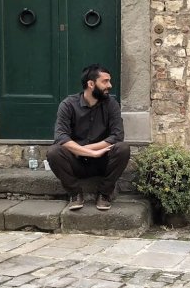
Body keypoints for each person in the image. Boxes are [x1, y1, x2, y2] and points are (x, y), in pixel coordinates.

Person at [46, 64, 130, 211]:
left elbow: (117, 136)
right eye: (105, 81)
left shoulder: (111, 104)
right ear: (91, 84)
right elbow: (61, 137)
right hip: (76, 162)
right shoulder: (68, 105)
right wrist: (89, 153)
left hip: (102, 161)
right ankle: (75, 194)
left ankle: (104, 194)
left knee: (123, 149)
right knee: (53, 152)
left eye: (109, 81)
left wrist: (87, 150)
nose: (110, 85)